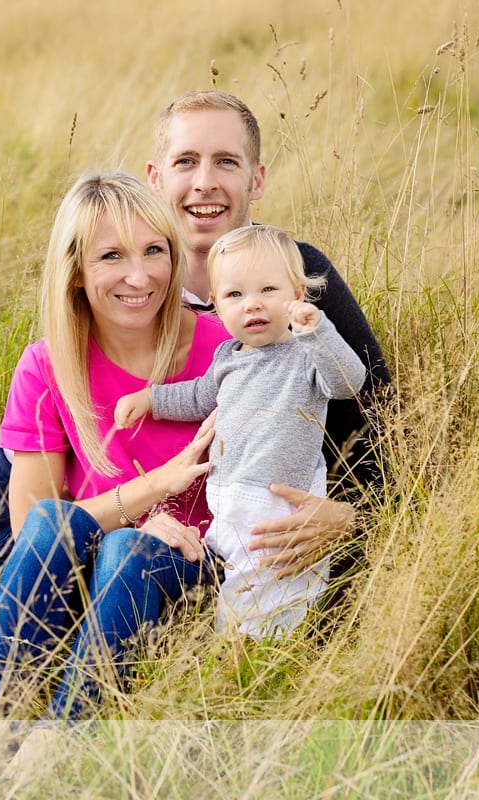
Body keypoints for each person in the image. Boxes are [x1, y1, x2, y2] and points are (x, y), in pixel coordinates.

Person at [0, 89, 390, 646]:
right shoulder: (119, 261)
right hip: (32, 463)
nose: (205, 182)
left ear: (257, 178)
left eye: (227, 162)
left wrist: (350, 515)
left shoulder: (289, 281)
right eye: (186, 162)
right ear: (155, 178)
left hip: (128, 514)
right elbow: (60, 376)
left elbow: (372, 417)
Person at [0, 169, 225, 736]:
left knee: (129, 550)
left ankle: (56, 744)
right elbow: (33, 527)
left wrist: (151, 528)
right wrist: (152, 490)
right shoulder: (47, 364)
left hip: (190, 571)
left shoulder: (226, 352)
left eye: (155, 250)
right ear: (77, 272)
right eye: (112, 256)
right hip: (79, 573)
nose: (140, 275)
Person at [114, 224, 366, 638]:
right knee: (233, 583)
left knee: (274, 582)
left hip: (280, 501)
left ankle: (268, 648)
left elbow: (347, 382)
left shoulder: (305, 354)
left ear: (297, 294)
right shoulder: (228, 356)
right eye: (235, 295)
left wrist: (316, 329)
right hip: (227, 500)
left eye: (268, 290)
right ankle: (227, 646)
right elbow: (197, 397)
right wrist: (151, 399)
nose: (253, 306)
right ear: (215, 304)